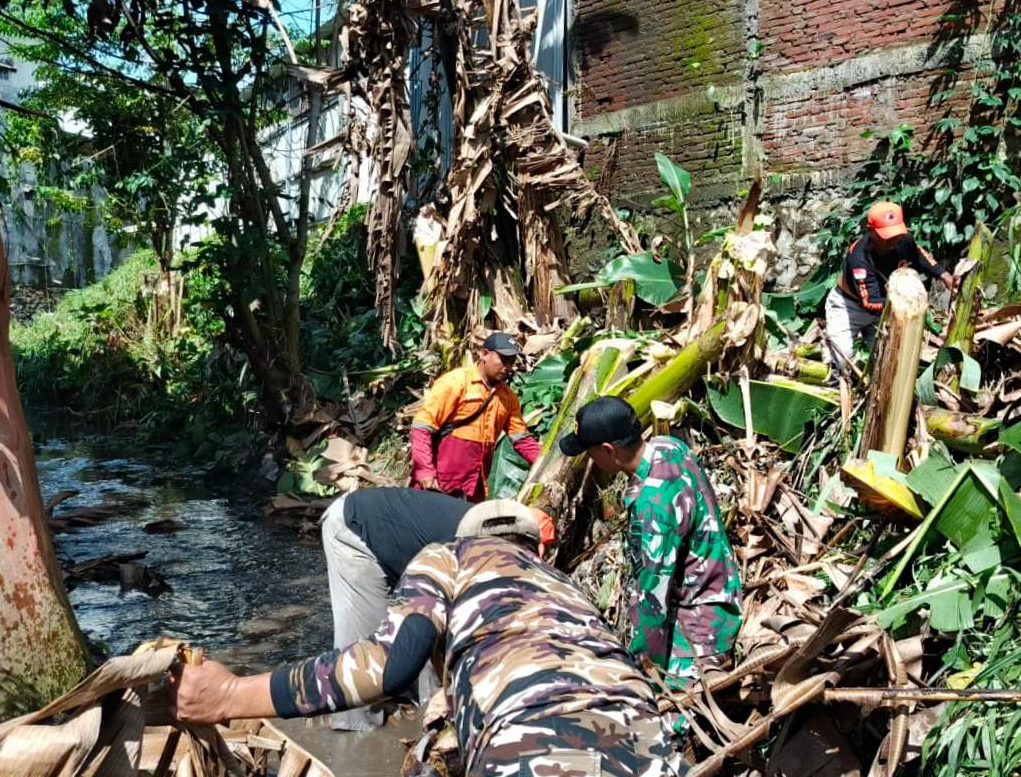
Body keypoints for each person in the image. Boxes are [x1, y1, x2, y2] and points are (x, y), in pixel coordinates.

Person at [173, 501, 688, 777]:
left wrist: (233, 696)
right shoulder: (566, 585)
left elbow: (390, 665)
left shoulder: (448, 555)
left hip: (532, 746)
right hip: (650, 744)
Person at [320, 486, 559, 730]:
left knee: (418, 645)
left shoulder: (491, 536)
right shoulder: (470, 546)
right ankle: (353, 729)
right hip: (354, 528)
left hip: (400, 541)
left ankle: (420, 707)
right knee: (369, 652)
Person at [558, 397, 742, 685]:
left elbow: (653, 599)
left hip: (699, 627)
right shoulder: (670, 447)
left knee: (671, 719)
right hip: (719, 589)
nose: (591, 461)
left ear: (609, 450)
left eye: (591, 453)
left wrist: (643, 673)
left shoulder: (653, 508)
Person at [824, 200, 958, 377]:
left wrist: (944, 276)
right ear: (871, 231)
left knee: (887, 359)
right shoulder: (859, 258)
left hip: (885, 308)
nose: (892, 241)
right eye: (886, 236)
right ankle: (836, 393)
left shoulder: (902, 240)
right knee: (842, 359)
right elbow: (869, 302)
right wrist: (906, 302)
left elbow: (920, 257)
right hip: (849, 308)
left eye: (896, 234)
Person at [411, 332, 542, 500]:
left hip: (475, 487)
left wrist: (545, 461)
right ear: (484, 354)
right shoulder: (456, 382)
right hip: (440, 482)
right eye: (503, 359)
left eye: (511, 361)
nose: (507, 367)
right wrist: (425, 471)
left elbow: (522, 440)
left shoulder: (508, 397)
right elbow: (422, 427)